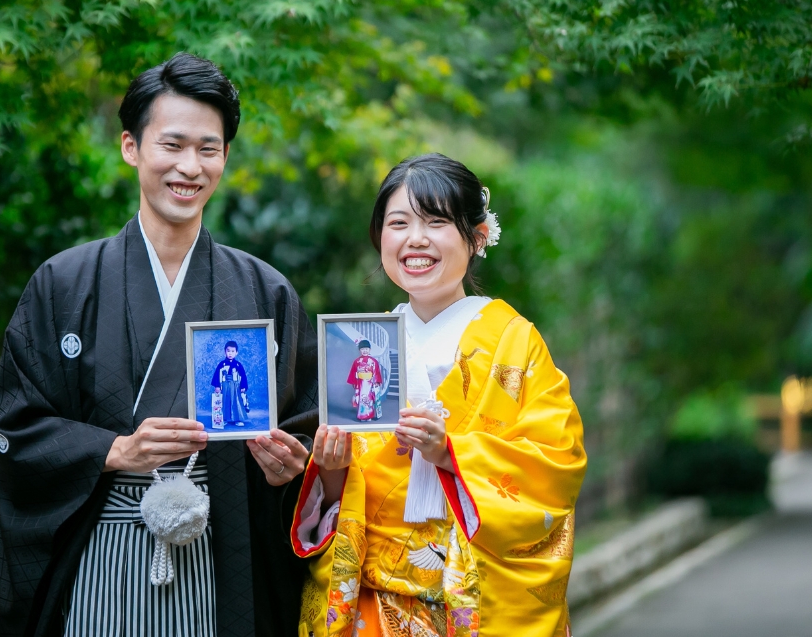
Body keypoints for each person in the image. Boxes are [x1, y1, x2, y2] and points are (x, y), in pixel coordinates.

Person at [0, 53, 318, 637]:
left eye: (208, 149)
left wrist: (292, 468)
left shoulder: (264, 290)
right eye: (173, 144)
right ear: (131, 147)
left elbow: (307, 428)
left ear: (225, 157)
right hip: (102, 554)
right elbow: (17, 426)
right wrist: (114, 450)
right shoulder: (65, 283)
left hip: (222, 560)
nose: (190, 166)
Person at [291, 154, 587, 637]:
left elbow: (557, 464)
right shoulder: (358, 343)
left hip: (471, 604)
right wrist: (330, 470)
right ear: (380, 238)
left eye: (436, 222)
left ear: (477, 236)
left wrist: (450, 451)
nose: (416, 239)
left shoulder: (515, 343)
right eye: (398, 223)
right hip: (373, 606)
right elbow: (345, 493)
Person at [212, 340, 250, 426]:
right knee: (224, 401)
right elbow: (217, 375)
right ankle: (224, 418)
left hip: (236, 386)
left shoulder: (238, 365)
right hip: (224, 385)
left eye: (233, 351)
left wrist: (243, 386)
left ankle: (237, 419)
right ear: (225, 352)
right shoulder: (221, 364)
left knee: (236, 401)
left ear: (236, 353)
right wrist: (217, 386)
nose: (230, 353)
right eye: (228, 351)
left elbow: (243, 376)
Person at [346, 340, 383, 421]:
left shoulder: (373, 361)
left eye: (366, 349)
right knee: (361, 399)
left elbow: (376, 372)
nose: (365, 351)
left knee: (369, 399)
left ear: (370, 349)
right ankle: (362, 415)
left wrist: (376, 382)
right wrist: (354, 382)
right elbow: (353, 372)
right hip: (360, 383)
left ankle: (369, 415)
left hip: (370, 383)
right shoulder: (357, 361)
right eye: (362, 349)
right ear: (359, 350)